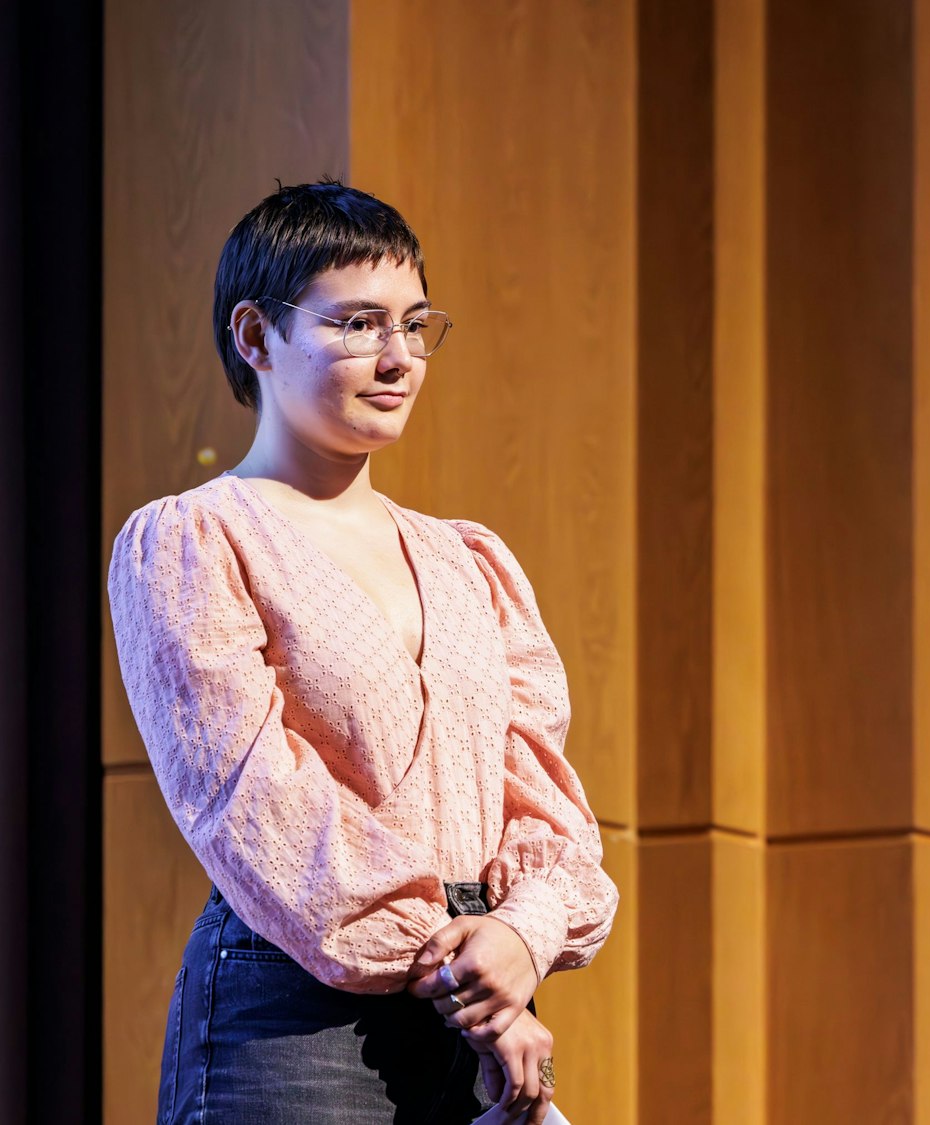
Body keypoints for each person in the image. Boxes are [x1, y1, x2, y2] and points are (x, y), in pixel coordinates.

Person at [107, 181, 618, 1124]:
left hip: (481, 996)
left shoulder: (473, 560)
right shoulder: (194, 541)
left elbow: (547, 801)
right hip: (296, 1011)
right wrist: (472, 972)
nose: (399, 358)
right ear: (255, 337)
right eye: (357, 323)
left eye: (416, 324)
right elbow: (257, 805)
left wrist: (523, 936)